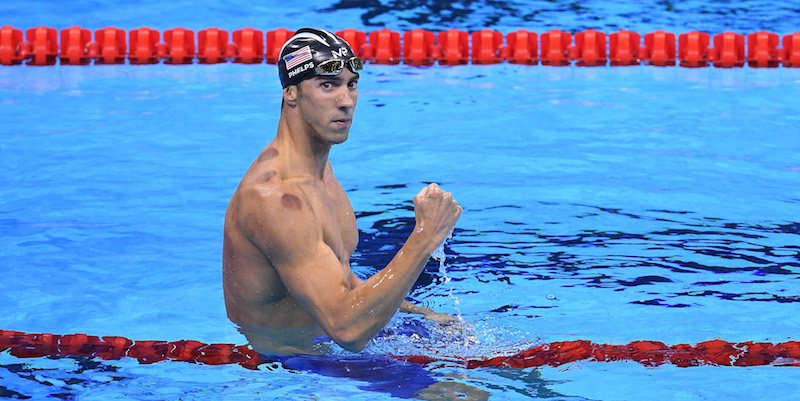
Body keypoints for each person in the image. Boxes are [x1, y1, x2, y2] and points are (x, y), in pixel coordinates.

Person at [222, 28, 463, 356]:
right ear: (290, 93)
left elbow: (338, 277)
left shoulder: (319, 174)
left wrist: (423, 314)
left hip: (326, 348)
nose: (346, 101)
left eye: (351, 84)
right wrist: (424, 237)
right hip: (289, 367)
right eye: (328, 85)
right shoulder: (276, 199)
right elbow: (347, 330)